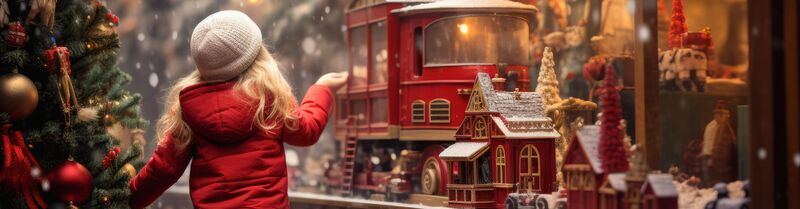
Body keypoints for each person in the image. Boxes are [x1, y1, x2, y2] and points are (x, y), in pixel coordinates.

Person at [128, 10, 348, 209]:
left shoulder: (188, 111)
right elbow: (306, 131)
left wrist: (124, 200)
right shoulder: (268, 99)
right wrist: (322, 88)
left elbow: (162, 170)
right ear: (257, 56)